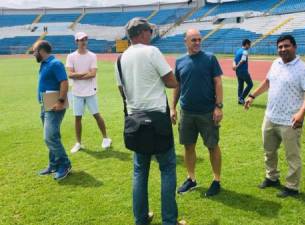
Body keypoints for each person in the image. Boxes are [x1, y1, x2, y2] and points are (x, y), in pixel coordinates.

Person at [115, 18, 186, 225]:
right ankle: (169, 221)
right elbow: (171, 82)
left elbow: (122, 90)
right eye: (149, 31)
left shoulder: (120, 59)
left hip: (135, 120)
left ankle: (141, 219)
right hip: (157, 118)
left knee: (139, 171)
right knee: (167, 169)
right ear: (142, 33)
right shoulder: (152, 51)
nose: (151, 34)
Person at [244, 35, 305, 198]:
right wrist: (252, 95)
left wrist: (301, 113)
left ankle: (292, 187)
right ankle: (272, 177)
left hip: (290, 121)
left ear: (294, 47)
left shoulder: (303, 68)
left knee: (292, 155)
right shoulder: (275, 63)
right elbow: (267, 82)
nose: (283, 49)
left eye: (286, 46)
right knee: (269, 151)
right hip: (270, 116)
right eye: (280, 47)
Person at [171, 28, 223, 197]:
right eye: (193, 40)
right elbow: (177, 86)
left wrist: (218, 106)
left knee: (212, 146)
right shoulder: (179, 61)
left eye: (199, 39)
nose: (197, 42)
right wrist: (172, 107)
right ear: (185, 41)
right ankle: (191, 179)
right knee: (188, 146)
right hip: (186, 113)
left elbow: (218, 83)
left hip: (207, 112)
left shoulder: (210, 58)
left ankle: (216, 181)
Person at [66, 32, 111, 153]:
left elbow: (93, 74)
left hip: (91, 90)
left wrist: (77, 75)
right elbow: (70, 74)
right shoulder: (71, 56)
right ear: (76, 42)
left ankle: (106, 138)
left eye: (85, 39)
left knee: (96, 115)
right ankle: (78, 143)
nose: (83, 41)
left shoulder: (92, 56)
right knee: (77, 118)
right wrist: (84, 73)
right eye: (81, 40)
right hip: (76, 91)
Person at [34, 40, 72, 180]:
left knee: (49, 137)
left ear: (41, 51)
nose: (33, 54)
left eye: (34, 51)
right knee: (51, 137)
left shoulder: (55, 64)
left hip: (55, 105)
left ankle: (65, 164)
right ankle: (53, 165)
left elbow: (64, 82)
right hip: (46, 104)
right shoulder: (45, 64)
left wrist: (61, 101)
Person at [233, 39, 253, 105]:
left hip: (238, 72)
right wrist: (237, 66)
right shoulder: (245, 51)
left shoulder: (238, 50)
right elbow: (243, 60)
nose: (250, 46)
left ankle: (239, 99)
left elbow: (234, 60)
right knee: (250, 84)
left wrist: (234, 66)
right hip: (243, 71)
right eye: (249, 44)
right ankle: (241, 98)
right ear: (246, 44)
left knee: (240, 85)